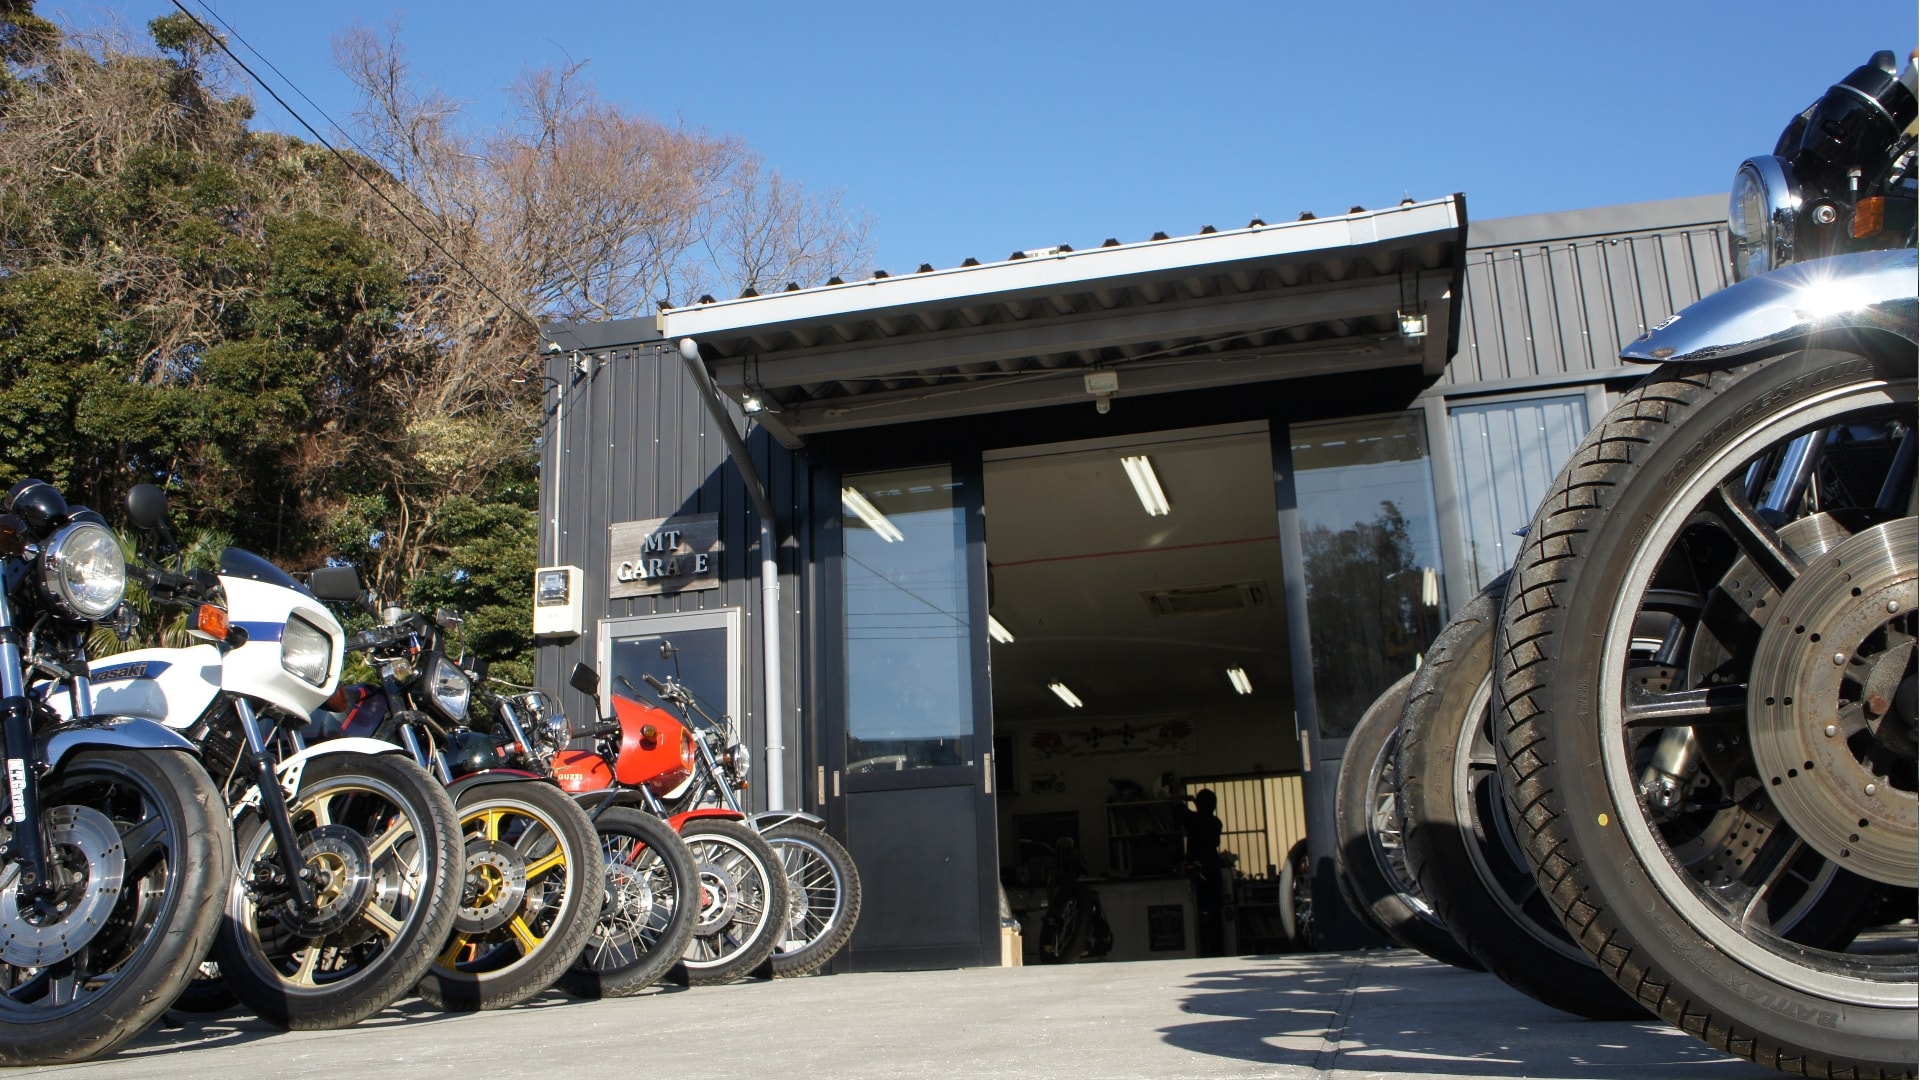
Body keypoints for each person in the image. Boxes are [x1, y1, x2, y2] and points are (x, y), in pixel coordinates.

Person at [1178, 789, 1225, 955]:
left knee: (1197, 914)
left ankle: (1203, 951)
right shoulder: (1216, 822)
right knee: (1214, 915)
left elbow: (1178, 809)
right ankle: (1217, 951)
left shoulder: (1194, 819)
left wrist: (1184, 798)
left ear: (1198, 804)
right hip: (1213, 870)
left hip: (1198, 872)